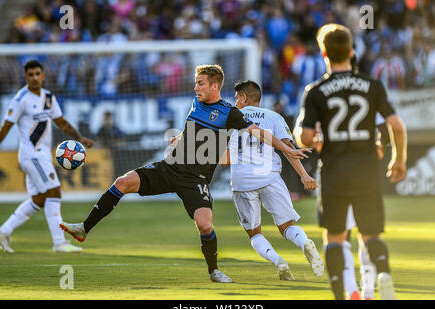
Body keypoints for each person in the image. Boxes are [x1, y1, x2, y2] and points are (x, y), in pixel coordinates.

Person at [59, 64, 311, 282]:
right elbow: (191, 126)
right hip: (169, 168)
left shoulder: (229, 113)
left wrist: (289, 150)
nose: (196, 88)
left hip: (195, 180)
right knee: (123, 182)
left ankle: (214, 271)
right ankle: (83, 228)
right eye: (196, 83)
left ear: (215, 86)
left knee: (205, 224)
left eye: (200, 84)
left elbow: (260, 133)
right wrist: (180, 137)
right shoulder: (196, 103)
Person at [294, 24, 407, 300]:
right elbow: (397, 126)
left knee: (335, 236)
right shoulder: (372, 85)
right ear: (352, 51)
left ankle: (339, 295)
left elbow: (306, 136)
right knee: (371, 234)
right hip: (367, 168)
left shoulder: (317, 90)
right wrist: (399, 160)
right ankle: (385, 276)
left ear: (323, 53)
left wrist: (306, 136)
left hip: (334, 170)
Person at [220, 80, 324, 281]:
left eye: (236, 98)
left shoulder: (229, 119)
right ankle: (305, 243)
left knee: (255, 234)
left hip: (242, 182)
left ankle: (279, 261)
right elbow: (289, 149)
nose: (234, 103)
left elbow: (225, 161)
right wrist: (304, 175)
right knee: (287, 226)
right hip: (270, 178)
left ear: (243, 97)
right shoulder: (274, 117)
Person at [0, 60, 94, 253]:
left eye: (38, 74)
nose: (34, 77)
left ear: (43, 75)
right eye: (30, 75)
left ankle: (4, 231)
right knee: (54, 192)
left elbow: (61, 122)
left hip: (44, 155)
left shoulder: (48, 97)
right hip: (32, 155)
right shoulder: (20, 99)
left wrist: (80, 138)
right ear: (25, 77)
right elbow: (5, 128)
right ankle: (59, 243)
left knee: (39, 199)